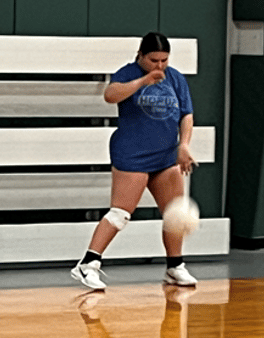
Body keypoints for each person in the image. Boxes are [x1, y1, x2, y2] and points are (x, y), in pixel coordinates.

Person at [71, 32, 198, 290]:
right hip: (133, 154)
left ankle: (175, 266)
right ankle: (88, 264)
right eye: (153, 60)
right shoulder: (128, 73)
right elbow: (110, 95)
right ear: (141, 55)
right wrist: (143, 81)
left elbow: (186, 115)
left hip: (165, 155)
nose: (159, 65)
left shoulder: (175, 78)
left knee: (175, 214)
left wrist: (184, 145)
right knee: (120, 213)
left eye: (164, 60)